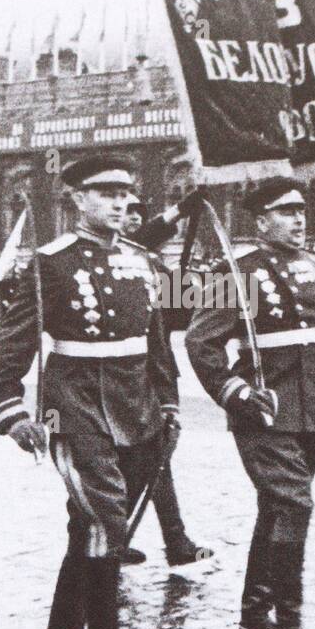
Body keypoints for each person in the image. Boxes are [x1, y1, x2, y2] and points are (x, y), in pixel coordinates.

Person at [0, 154, 178, 629]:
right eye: (105, 193)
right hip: (74, 410)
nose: (120, 203)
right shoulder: (49, 264)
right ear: (76, 198)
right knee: (107, 529)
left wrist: (169, 405)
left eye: (125, 194)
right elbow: (14, 341)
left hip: (137, 411)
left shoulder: (144, 262)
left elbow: (157, 343)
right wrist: (11, 408)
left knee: (88, 533)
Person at [186, 177, 315, 629]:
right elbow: (201, 341)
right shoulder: (238, 273)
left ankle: (256, 618)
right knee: (295, 505)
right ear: (261, 222)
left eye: (301, 210)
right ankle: (289, 621)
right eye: (285, 211)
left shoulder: (314, 265)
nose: (298, 220)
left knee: (279, 510)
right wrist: (235, 391)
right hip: (267, 412)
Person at [117, 197, 210, 567]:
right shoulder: (116, 255)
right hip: (120, 378)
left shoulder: (152, 265)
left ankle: (170, 539)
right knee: (141, 458)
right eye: (127, 214)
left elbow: (179, 310)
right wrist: (179, 212)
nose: (132, 221)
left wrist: (191, 288)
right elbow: (143, 237)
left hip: (155, 373)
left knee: (157, 455)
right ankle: (115, 535)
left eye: (138, 214)